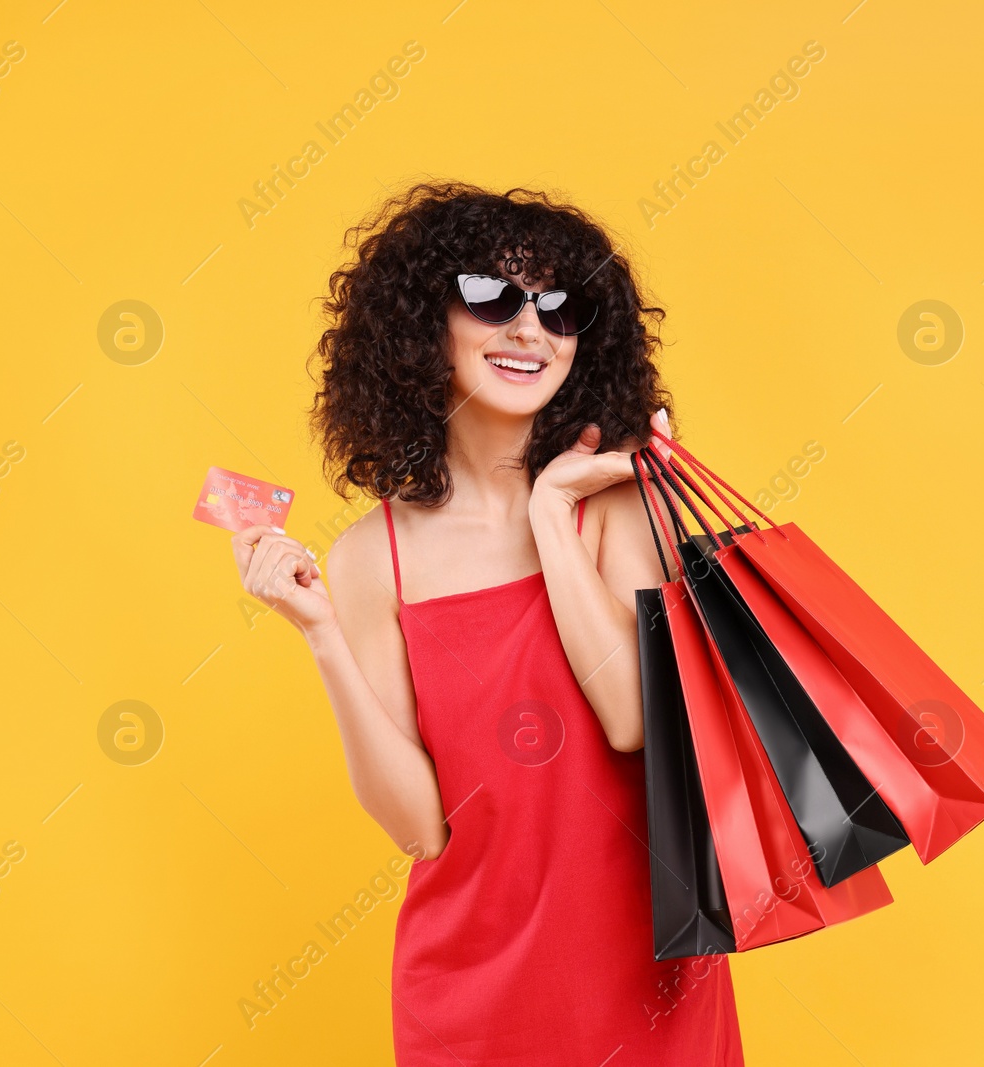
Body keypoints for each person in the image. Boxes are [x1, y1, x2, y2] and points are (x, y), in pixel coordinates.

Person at [229, 182, 743, 1065]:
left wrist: (548, 513)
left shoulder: (614, 504)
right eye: (491, 296)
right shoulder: (370, 557)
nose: (529, 328)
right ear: (424, 324)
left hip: (648, 978)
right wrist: (320, 631)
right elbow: (421, 828)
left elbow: (629, 717)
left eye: (559, 306)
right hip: (468, 1000)